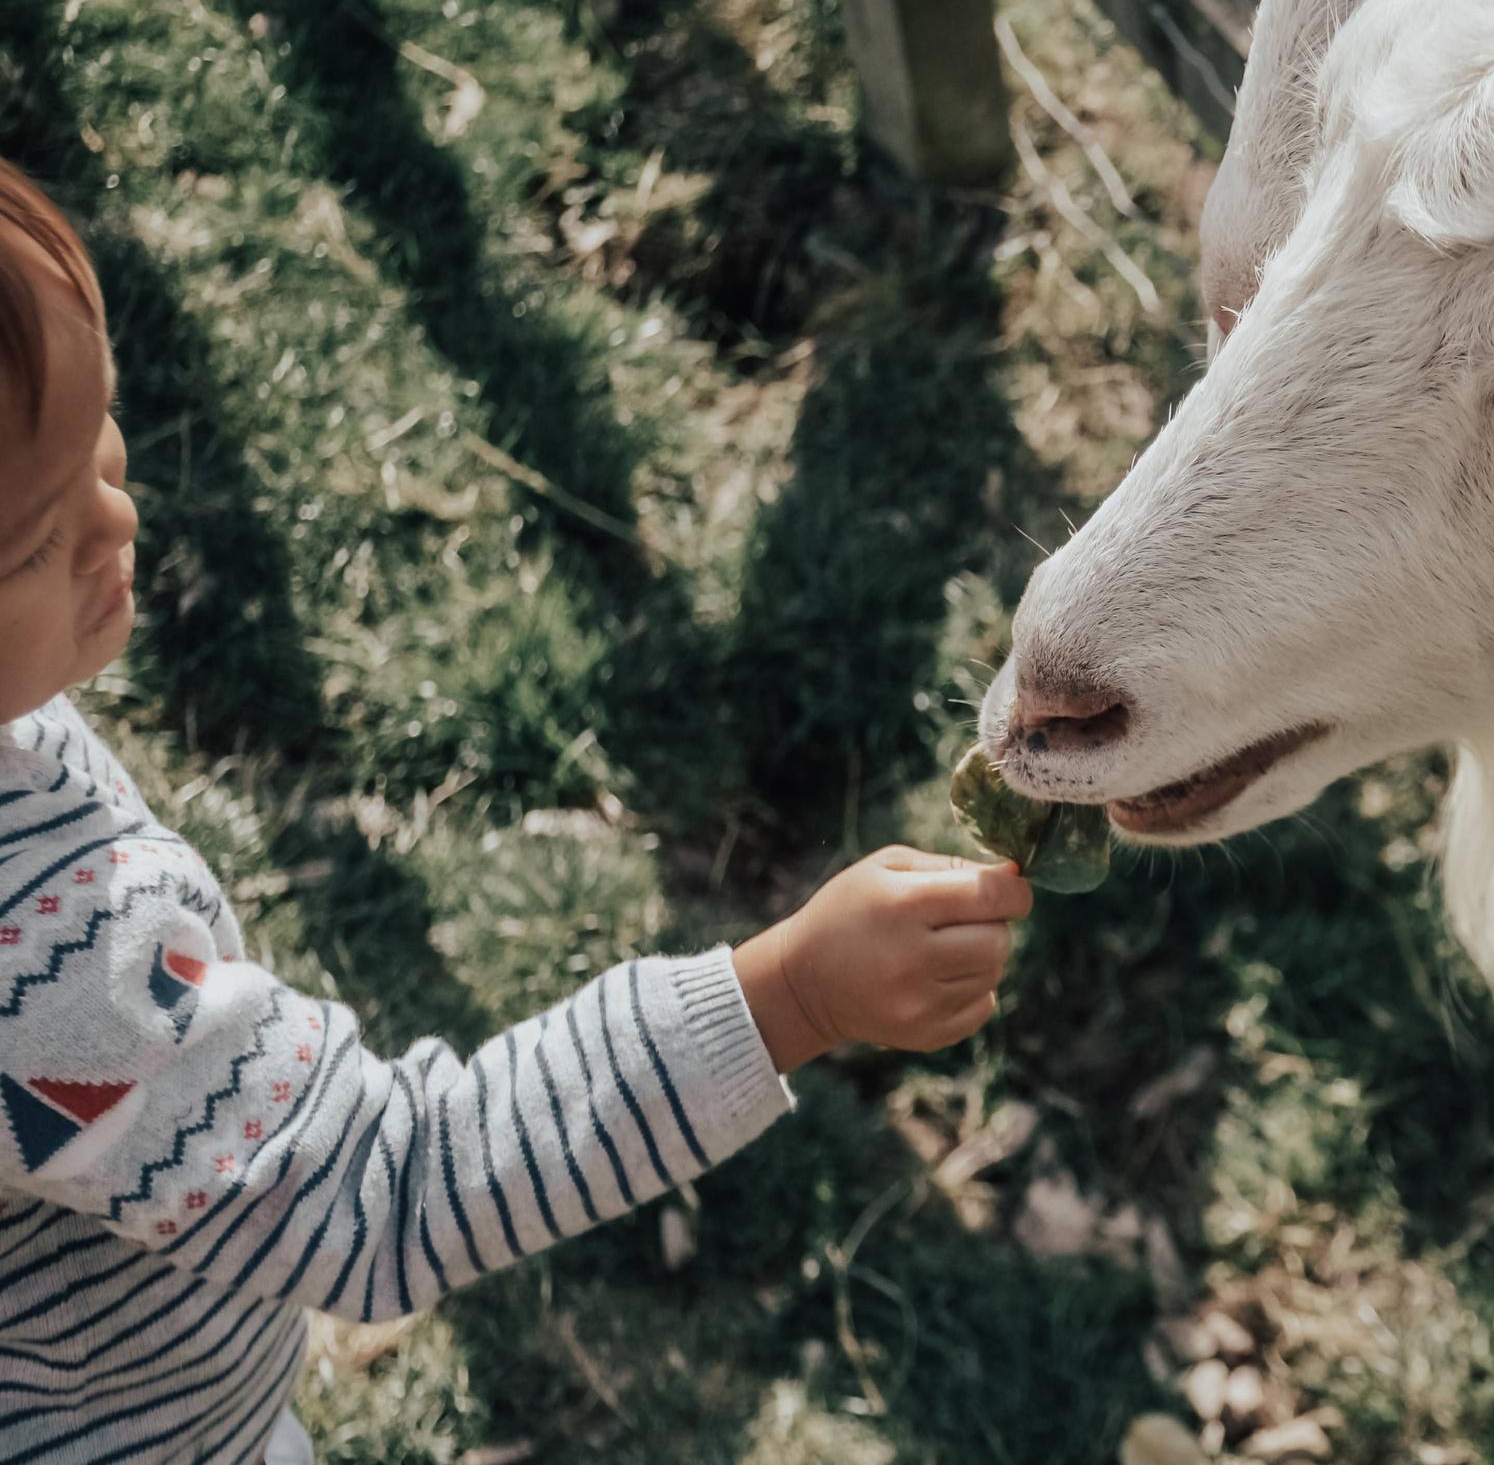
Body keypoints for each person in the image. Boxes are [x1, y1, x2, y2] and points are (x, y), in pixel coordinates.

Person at [0, 157, 1036, 1462]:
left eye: (100, 428)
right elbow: (390, 1192)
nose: (116, 514)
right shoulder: (49, 966)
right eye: (35, 540)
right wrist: (786, 997)